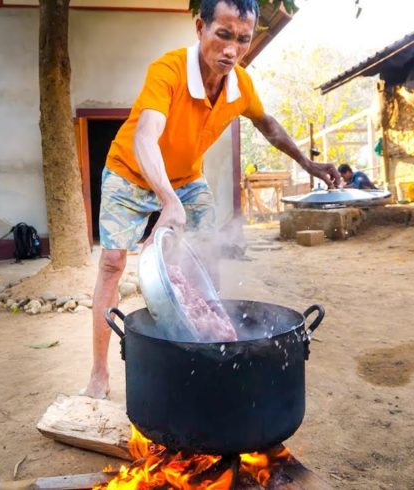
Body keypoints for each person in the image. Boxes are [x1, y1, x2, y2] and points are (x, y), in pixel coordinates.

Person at [81, 0, 340, 399]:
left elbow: (268, 124)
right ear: (200, 27)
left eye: (243, 39)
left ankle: (200, 345)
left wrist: (308, 162)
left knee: (202, 255)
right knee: (113, 263)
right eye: (223, 35)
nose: (232, 50)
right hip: (129, 173)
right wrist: (168, 200)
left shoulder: (240, 86)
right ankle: (99, 373)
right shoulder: (167, 70)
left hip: (186, 178)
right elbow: (145, 135)